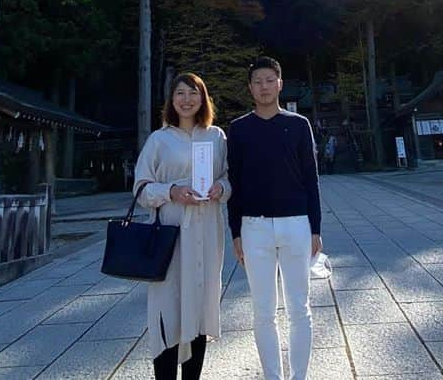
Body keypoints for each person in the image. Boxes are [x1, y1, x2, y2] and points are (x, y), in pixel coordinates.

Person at [227, 57, 322, 380]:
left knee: (299, 308)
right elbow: (234, 183)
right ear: (250, 87)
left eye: (270, 80)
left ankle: (299, 376)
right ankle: (273, 376)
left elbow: (312, 178)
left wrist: (315, 229)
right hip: (254, 227)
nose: (264, 87)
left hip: (296, 223)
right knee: (263, 310)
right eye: (258, 81)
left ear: (280, 83)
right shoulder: (239, 129)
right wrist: (235, 232)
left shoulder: (298, 125)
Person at [134, 72, 230, 380]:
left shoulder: (216, 136)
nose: (186, 99)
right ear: (171, 100)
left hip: (206, 231)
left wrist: (221, 188)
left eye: (193, 93)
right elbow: (140, 189)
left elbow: (230, 178)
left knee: (199, 308)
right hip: (170, 236)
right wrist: (171, 192)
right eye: (180, 93)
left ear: (203, 98)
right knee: (168, 309)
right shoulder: (159, 140)